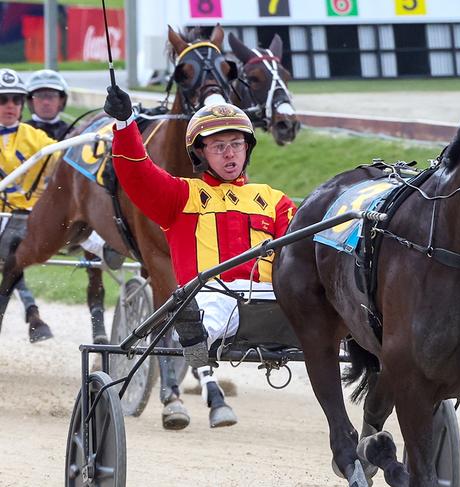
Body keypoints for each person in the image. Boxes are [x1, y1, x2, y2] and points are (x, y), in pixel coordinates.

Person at [104, 85, 296, 427]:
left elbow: (298, 255)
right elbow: (136, 172)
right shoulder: (179, 196)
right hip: (212, 298)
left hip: (271, 300)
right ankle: (193, 343)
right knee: (201, 311)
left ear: (247, 149)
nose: (229, 154)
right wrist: (124, 123)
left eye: (236, 144)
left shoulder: (275, 200)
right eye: (219, 147)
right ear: (200, 153)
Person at [25, 69, 124, 271]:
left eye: (51, 96)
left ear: (61, 100)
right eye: (40, 96)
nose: (45, 102)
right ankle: (103, 245)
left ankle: (96, 298)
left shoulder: (78, 133)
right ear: (30, 101)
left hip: (66, 203)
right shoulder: (22, 132)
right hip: (30, 201)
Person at [0, 68, 56, 342]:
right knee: (12, 245)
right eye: (3, 100)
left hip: (31, 221)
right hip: (6, 223)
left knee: (13, 243)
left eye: (16, 100)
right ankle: (32, 311)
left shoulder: (36, 139)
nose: (10, 106)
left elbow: (64, 163)